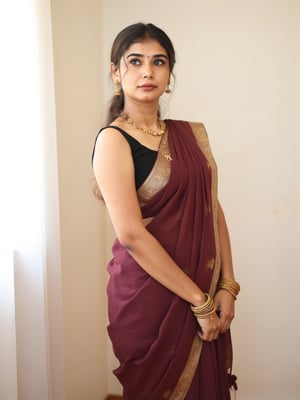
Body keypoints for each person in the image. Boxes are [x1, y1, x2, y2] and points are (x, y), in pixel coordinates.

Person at [92, 22, 240, 400]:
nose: (147, 71)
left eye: (158, 62)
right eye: (135, 61)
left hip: (203, 290)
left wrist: (226, 285)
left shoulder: (189, 135)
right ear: (115, 71)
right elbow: (131, 235)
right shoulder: (113, 140)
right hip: (149, 300)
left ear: (169, 74)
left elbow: (211, 207)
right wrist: (200, 301)